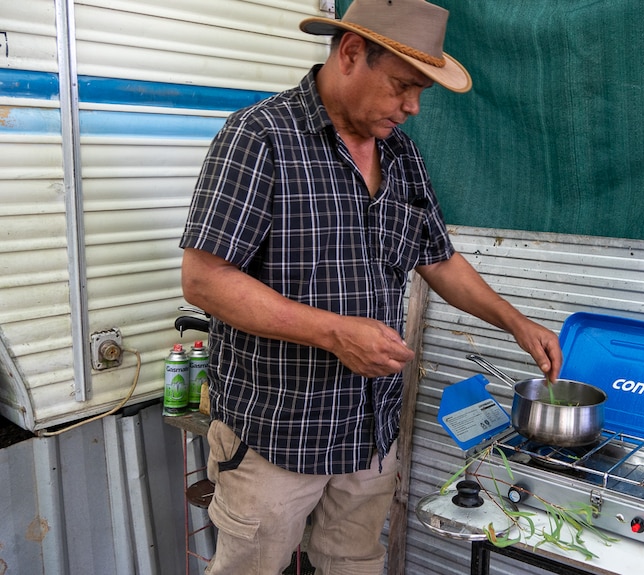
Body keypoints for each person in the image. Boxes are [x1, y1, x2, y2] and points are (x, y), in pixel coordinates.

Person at [179, 0, 562, 573]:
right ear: (352, 53)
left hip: (369, 434)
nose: (410, 107)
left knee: (354, 563)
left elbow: (439, 259)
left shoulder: (401, 155)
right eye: (402, 86)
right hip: (276, 437)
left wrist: (516, 322)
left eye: (420, 93)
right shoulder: (260, 138)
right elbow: (205, 280)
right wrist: (333, 332)